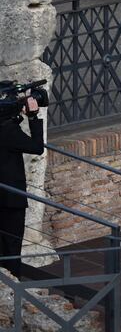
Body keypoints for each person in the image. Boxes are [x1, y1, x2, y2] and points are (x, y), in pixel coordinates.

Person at [0, 94, 41, 278]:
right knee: (12, 244)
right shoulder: (9, 132)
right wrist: (33, 117)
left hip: (4, 197)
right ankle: (13, 284)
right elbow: (36, 147)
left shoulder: (7, 128)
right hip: (11, 200)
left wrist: (17, 116)